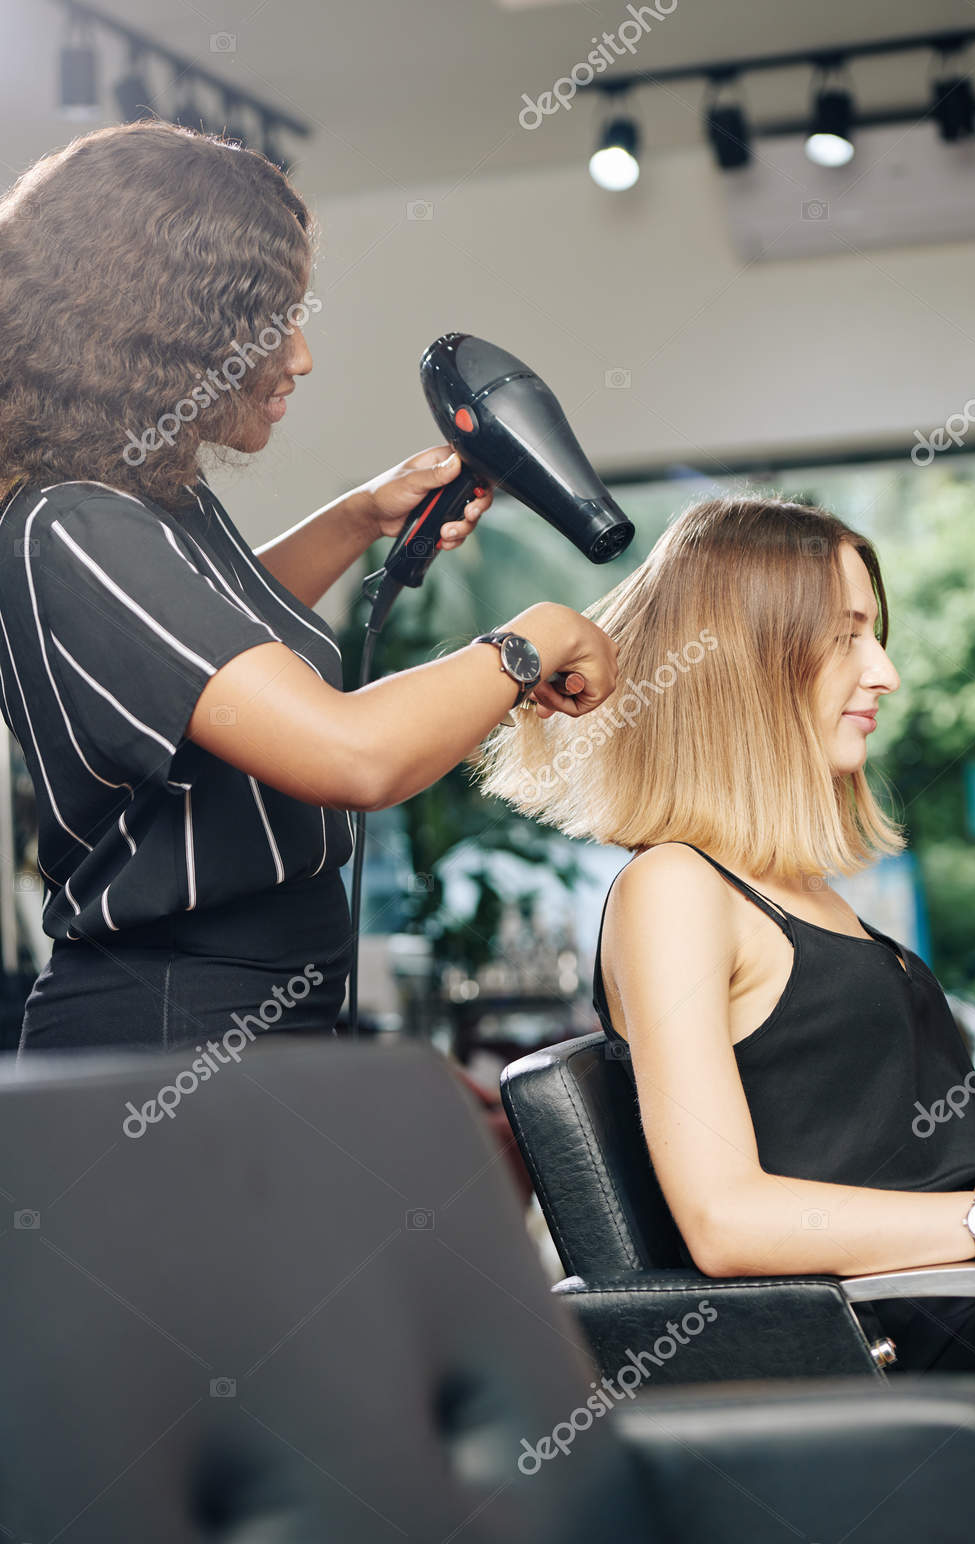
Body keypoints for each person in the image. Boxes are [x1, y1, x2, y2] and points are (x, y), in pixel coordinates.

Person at [0, 121, 617, 1053]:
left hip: (268, 1010)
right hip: (168, 1034)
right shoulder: (74, 526)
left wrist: (360, 517)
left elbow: (214, 651)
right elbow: (351, 756)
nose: (300, 357)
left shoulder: (149, 498)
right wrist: (528, 640)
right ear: (166, 333)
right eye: (268, 323)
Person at [473, 494, 975, 1379]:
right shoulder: (674, 888)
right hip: (876, 1327)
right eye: (846, 636)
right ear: (747, 665)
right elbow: (726, 1220)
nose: (883, 673)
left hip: (939, 1292)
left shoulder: (791, 890)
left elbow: (900, 1141)